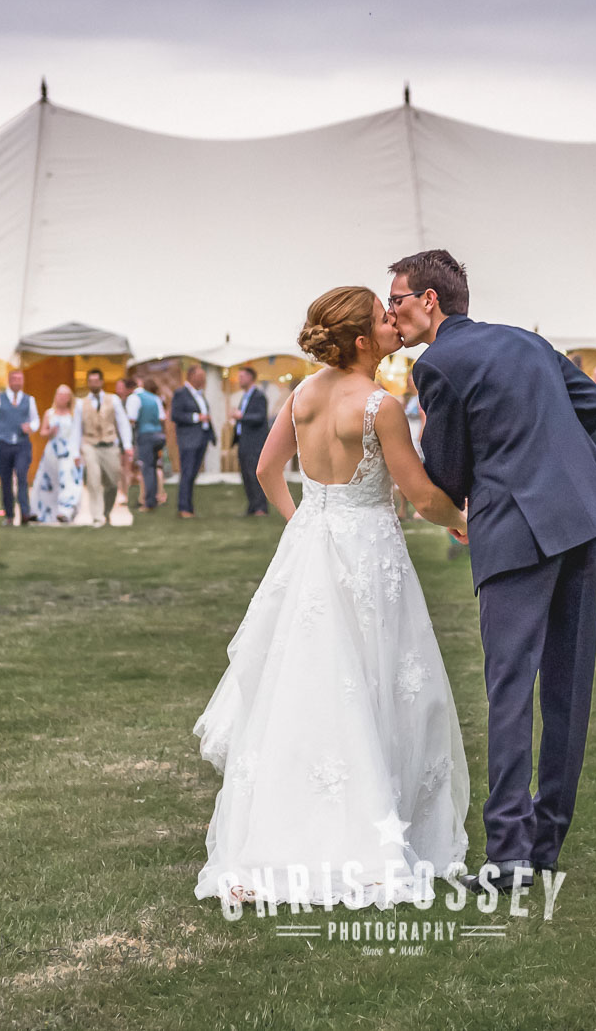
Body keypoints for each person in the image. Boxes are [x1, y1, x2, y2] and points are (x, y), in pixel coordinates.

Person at [194, 285, 469, 908]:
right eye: (382, 317)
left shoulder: (304, 394)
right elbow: (422, 498)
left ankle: (284, 832)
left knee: (307, 685)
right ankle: (371, 835)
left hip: (313, 546)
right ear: (364, 340)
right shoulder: (380, 406)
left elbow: (267, 473)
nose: (393, 320)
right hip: (368, 553)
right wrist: (466, 521)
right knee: (379, 679)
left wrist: (304, 519)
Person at [389, 248, 596, 889]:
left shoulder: (437, 364)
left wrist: (468, 497)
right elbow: (594, 401)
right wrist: (552, 458)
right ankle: (545, 847)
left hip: (515, 532)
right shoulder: (526, 340)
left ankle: (506, 856)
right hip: (585, 518)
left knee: (509, 692)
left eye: (397, 299)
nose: (392, 310)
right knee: (567, 689)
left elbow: (445, 472)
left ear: (429, 300)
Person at [71, 369, 134, 527]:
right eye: (90, 381)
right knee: (93, 479)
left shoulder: (113, 400)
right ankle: (97, 517)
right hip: (90, 445)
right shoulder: (80, 403)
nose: (93, 384)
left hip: (110, 445)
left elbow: (123, 423)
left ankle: (106, 512)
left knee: (113, 482)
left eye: (96, 381)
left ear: (101, 382)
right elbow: (76, 428)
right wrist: (75, 452)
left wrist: (127, 445)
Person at [0, 369, 40, 528]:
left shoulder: (29, 400)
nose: (17, 382)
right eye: (15, 379)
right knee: (5, 480)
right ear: (9, 380)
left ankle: (25, 512)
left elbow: (35, 420)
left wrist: (31, 427)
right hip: (3, 443)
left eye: (20, 379)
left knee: (22, 476)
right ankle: (9, 514)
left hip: (21, 443)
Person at [30, 385, 82, 524]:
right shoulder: (50, 413)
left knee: (68, 479)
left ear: (69, 398)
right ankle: (45, 512)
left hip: (68, 452)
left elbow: (78, 434)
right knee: (48, 481)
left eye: (65, 395)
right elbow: (42, 433)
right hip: (52, 451)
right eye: (59, 394)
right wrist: (50, 431)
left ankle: (65, 511)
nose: (62, 397)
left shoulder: (74, 414)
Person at [171, 365, 216, 519]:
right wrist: (197, 417)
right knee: (187, 473)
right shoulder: (180, 393)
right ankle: (183, 508)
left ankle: (189, 507)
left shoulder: (199, 394)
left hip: (201, 438)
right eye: (200, 376)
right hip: (188, 439)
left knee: (193, 474)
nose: (203, 379)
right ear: (191, 376)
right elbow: (175, 415)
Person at [122, 377, 165, 511]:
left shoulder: (134, 398)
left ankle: (149, 502)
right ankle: (155, 497)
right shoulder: (154, 397)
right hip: (159, 435)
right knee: (153, 468)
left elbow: (131, 419)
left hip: (145, 436)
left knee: (146, 469)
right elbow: (162, 418)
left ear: (129, 388)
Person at [232, 366, 270, 516]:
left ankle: (261, 508)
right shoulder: (245, 396)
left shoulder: (259, 396)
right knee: (246, 475)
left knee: (254, 474)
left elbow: (260, 417)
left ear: (251, 378)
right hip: (243, 441)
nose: (239, 379)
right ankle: (253, 506)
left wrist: (241, 416)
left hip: (255, 443)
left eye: (242, 376)